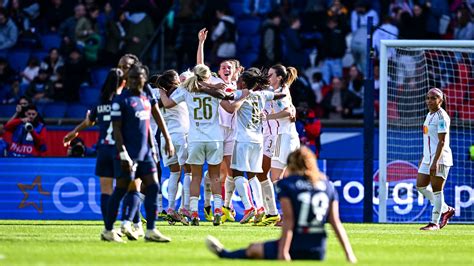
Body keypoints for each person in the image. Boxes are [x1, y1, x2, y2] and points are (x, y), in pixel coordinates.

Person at [205, 146, 357, 263]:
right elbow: (336, 223)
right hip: (318, 250)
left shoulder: (288, 185)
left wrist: (283, 252)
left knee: (253, 249)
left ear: (291, 165)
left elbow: (288, 222)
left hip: (295, 246)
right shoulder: (327, 185)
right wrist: (349, 254)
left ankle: (224, 254)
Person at [103, 64, 174, 242]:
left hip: (146, 153)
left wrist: (157, 146)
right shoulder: (121, 100)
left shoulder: (146, 97)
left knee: (153, 187)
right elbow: (117, 130)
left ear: (144, 78)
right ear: (128, 80)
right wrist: (123, 153)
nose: (136, 81)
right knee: (120, 190)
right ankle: (108, 230)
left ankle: (150, 230)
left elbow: (148, 127)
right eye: (132, 78)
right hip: (128, 153)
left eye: (139, 78)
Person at [159, 64, 235, 226]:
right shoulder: (216, 92)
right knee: (215, 177)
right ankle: (217, 211)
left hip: (195, 139)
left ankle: (193, 213)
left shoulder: (186, 90)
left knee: (196, 177)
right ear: (208, 77)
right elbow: (229, 108)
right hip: (215, 138)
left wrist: (160, 89)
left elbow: (167, 104)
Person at [63, 68, 125, 236]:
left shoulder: (101, 102)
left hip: (103, 149)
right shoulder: (125, 101)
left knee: (106, 191)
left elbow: (89, 122)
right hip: (120, 150)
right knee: (129, 189)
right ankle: (128, 223)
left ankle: (108, 229)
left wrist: (74, 132)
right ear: (124, 83)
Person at [229, 68, 286, 224]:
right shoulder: (263, 95)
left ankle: (249, 207)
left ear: (245, 83)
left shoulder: (241, 94)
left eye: (240, 80)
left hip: (242, 139)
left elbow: (228, 99)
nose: (237, 83)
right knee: (253, 175)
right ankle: (261, 207)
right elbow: (279, 95)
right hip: (258, 140)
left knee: (237, 173)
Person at [154, 70, 191, 225]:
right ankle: (185, 208)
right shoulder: (181, 91)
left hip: (166, 138)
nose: (180, 80)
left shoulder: (157, 96)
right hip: (182, 135)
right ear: (172, 81)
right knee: (189, 171)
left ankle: (170, 208)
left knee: (174, 173)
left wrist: (160, 89)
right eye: (177, 78)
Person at [417, 88, 455, 231]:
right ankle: (446, 209)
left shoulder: (442, 117)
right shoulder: (429, 115)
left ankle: (434, 223)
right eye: (428, 98)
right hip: (428, 158)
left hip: (440, 159)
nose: (429, 101)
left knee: (437, 190)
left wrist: (435, 161)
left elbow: (442, 142)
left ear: (441, 100)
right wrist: (424, 157)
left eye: (433, 98)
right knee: (420, 186)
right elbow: (428, 139)